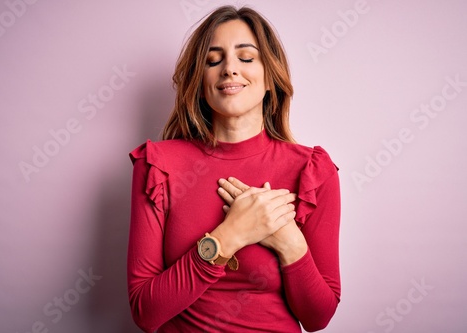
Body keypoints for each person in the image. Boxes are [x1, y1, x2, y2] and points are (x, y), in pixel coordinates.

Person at [127, 5, 341, 332]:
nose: (229, 69)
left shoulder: (312, 170)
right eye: (214, 60)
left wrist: (288, 240)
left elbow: (317, 318)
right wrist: (232, 233)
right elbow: (145, 311)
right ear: (200, 81)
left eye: (246, 57)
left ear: (271, 76)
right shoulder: (158, 165)